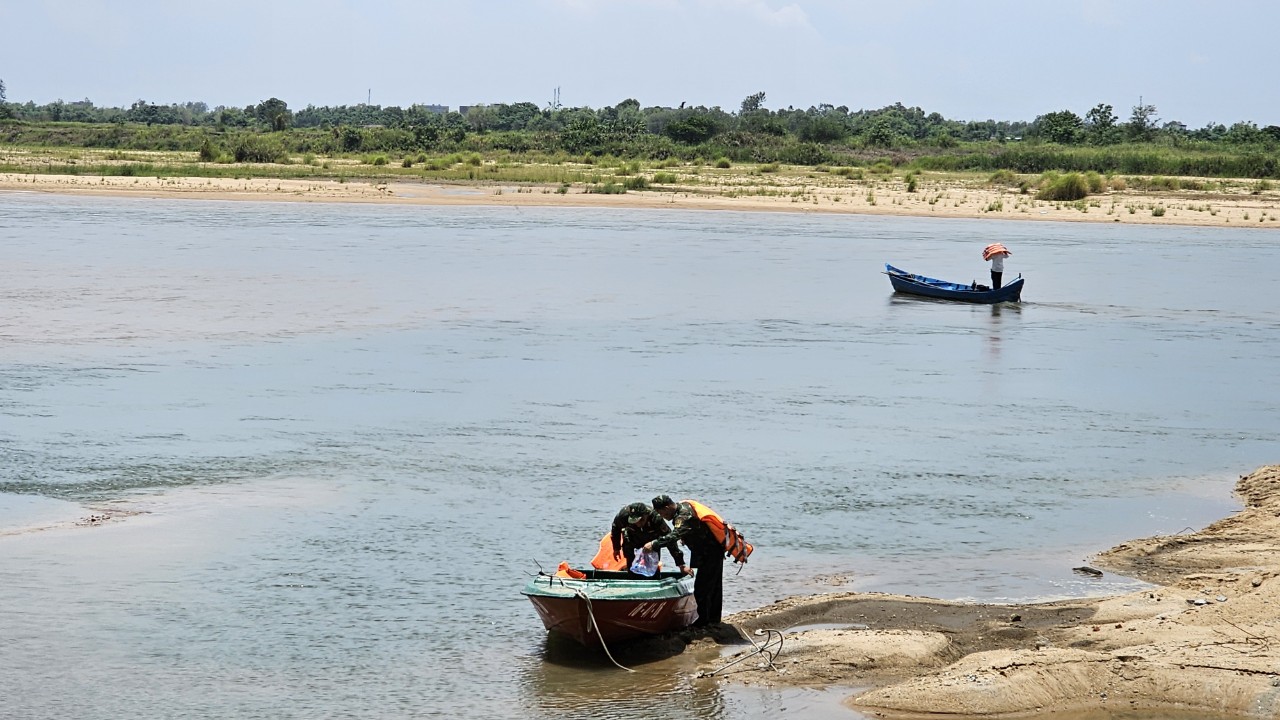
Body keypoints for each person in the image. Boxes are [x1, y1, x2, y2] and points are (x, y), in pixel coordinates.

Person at [645, 495, 752, 627]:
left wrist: (654, 544)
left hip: (709, 552)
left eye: (661, 513)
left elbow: (674, 536)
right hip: (707, 551)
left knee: (702, 588)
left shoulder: (684, 516)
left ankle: (703, 621)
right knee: (713, 586)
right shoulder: (682, 508)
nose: (662, 516)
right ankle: (713, 620)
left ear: (667, 508)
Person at [609, 501, 690, 576]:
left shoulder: (656, 518)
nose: (638, 524)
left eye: (641, 520)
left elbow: (670, 540)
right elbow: (615, 529)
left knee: (653, 571)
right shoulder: (623, 515)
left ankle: (654, 580)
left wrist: (681, 565)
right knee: (632, 569)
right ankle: (633, 580)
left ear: (646, 515)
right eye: (635, 521)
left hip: (651, 542)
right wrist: (616, 548)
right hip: (631, 539)